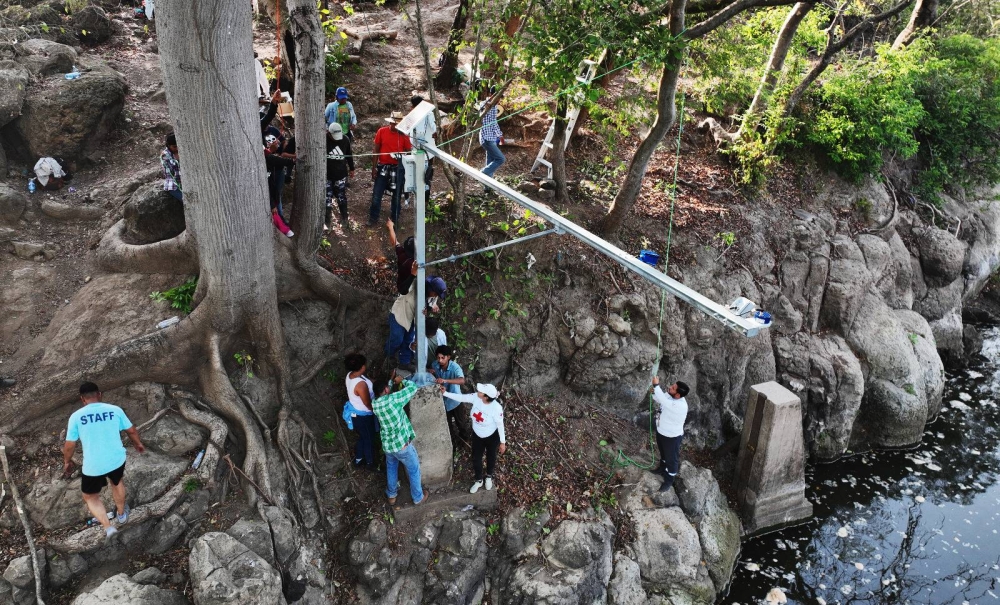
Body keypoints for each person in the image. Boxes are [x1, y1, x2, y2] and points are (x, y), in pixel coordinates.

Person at [62, 382, 146, 540]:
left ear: (82, 399)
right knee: (117, 482)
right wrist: (138, 444)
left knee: (90, 497)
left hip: (93, 466)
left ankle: (108, 527)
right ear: (99, 394)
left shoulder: (76, 417)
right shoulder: (115, 410)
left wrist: (67, 461)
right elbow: (131, 430)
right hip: (116, 459)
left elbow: (70, 445)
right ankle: (121, 514)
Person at [372, 372, 427, 506]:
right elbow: (413, 388)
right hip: (402, 446)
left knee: (391, 468)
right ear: (386, 390)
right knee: (414, 469)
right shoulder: (394, 399)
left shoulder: (375, 404)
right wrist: (402, 380)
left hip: (388, 446)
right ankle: (418, 497)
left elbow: (386, 394)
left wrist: (391, 382)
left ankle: (392, 495)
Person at [442, 383, 505, 493]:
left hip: (491, 436)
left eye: (481, 391)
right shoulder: (476, 397)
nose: (478, 392)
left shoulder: (496, 408)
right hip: (477, 435)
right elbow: (461, 397)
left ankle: (489, 476)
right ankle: (478, 480)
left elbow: (500, 425)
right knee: (476, 457)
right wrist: (445, 393)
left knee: (491, 456)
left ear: (486, 397)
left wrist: (502, 442)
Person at [385, 270, 444, 370]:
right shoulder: (415, 284)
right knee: (397, 338)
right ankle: (389, 355)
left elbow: (428, 306)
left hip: (413, 319)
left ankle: (404, 362)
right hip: (400, 315)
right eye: (435, 293)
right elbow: (403, 289)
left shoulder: (433, 296)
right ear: (431, 289)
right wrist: (412, 274)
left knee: (408, 340)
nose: (436, 296)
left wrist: (430, 308)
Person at [369, 112, 412, 226]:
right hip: (383, 166)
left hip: (398, 168)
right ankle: (373, 218)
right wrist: (374, 168)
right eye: (394, 124)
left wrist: (401, 156)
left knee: (397, 195)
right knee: (377, 193)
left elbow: (408, 151)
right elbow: (376, 150)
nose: (395, 126)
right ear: (390, 123)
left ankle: (395, 219)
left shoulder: (404, 135)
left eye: (398, 124)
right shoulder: (382, 131)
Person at [651, 376, 690, 493]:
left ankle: (668, 481)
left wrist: (656, 386)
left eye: (673, 388)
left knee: (671, 460)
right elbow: (659, 398)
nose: (670, 387)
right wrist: (653, 392)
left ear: (678, 395)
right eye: (673, 385)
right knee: (663, 453)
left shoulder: (680, 405)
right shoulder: (670, 395)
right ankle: (661, 469)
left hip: (672, 437)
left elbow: (664, 401)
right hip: (661, 431)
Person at [344, 353, 377, 469]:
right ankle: (370, 463)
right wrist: (377, 411)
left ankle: (358, 458)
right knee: (369, 439)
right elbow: (367, 403)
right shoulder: (360, 385)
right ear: (362, 367)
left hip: (356, 413)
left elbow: (368, 381)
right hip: (363, 416)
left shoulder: (351, 375)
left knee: (363, 437)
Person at [431, 345, 469, 445]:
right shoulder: (434, 365)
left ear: (448, 357)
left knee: (461, 423)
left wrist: (445, 380)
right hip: (443, 401)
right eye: (438, 358)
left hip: (455, 400)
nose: (440, 360)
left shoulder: (455, 367)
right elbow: (433, 374)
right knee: (447, 425)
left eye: (442, 358)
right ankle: (452, 445)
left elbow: (462, 380)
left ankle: (465, 440)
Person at [326, 122, 355, 230]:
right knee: (327, 199)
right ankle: (327, 222)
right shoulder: (323, 140)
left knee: (341, 197)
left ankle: (344, 218)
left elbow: (349, 155)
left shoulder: (345, 139)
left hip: (341, 174)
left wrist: (352, 168)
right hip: (327, 175)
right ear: (329, 133)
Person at [409, 95, 436, 194]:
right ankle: (417, 194)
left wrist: (436, 132)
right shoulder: (412, 115)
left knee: (426, 175)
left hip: (428, 151)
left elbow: (434, 127)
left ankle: (426, 197)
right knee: (416, 173)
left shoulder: (429, 114)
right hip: (415, 149)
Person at [478, 90, 505, 180]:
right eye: (498, 97)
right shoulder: (484, 104)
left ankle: (487, 185)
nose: (499, 100)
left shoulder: (494, 106)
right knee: (500, 159)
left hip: (491, 138)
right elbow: (484, 107)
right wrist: (500, 136)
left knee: (490, 162)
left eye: (500, 98)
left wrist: (500, 136)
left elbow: (494, 122)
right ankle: (481, 173)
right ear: (491, 95)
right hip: (487, 138)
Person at [386, 219, 415, 295]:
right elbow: (395, 242)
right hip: (406, 286)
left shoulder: (402, 255)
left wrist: (391, 227)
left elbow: (394, 242)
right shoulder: (411, 261)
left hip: (404, 285)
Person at [160, 134, 182, 201]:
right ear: (169, 145)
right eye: (174, 147)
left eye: (178, 146)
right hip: (173, 185)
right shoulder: (165, 155)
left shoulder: (181, 151)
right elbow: (174, 169)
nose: (177, 148)